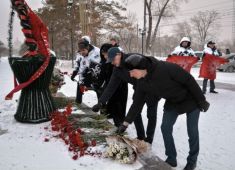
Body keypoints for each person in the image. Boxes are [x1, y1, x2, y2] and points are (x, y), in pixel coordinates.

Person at [115, 55, 210, 170]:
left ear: (141, 68)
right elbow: (136, 104)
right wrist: (125, 123)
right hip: (172, 102)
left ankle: (192, 160)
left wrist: (202, 100)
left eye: (132, 71)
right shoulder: (141, 82)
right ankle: (171, 158)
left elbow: (189, 80)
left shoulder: (166, 68)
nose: (130, 74)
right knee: (165, 127)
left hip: (190, 99)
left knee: (192, 130)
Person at [92, 47, 159, 144]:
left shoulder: (133, 58)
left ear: (119, 55)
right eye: (111, 61)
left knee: (151, 114)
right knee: (135, 113)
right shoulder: (117, 70)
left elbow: (152, 66)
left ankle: (149, 139)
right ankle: (141, 137)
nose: (112, 63)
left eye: (113, 60)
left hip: (151, 86)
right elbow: (111, 87)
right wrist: (101, 102)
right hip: (138, 88)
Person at [96, 43, 128, 126]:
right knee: (113, 108)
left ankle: (120, 125)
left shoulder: (122, 63)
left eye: (106, 54)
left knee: (119, 108)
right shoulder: (106, 62)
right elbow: (104, 76)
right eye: (103, 55)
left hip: (120, 88)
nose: (105, 57)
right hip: (110, 87)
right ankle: (117, 124)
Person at [71, 36, 100, 103]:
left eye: (83, 50)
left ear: (88, 47)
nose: (82, 52)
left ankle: (102, 107)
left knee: (99, 89)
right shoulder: (81, 56)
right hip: (88, 75)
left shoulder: (97, 52)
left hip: (98, 75)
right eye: (81, 51)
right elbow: (81, 69)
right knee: (79, 84)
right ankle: (78, 102)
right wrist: (80, 82)